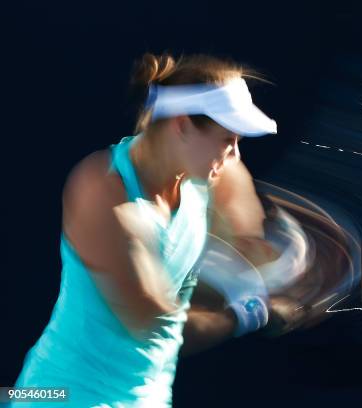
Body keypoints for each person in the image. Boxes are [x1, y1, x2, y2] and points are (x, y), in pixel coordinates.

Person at [11, 52, 280, 407]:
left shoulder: (213, 171)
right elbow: (151, 324)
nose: (234, 155)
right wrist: (246, 313)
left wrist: (268, 265)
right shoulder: (102, 190)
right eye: (227, 139)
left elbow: (250, 243)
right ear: (182, 126)